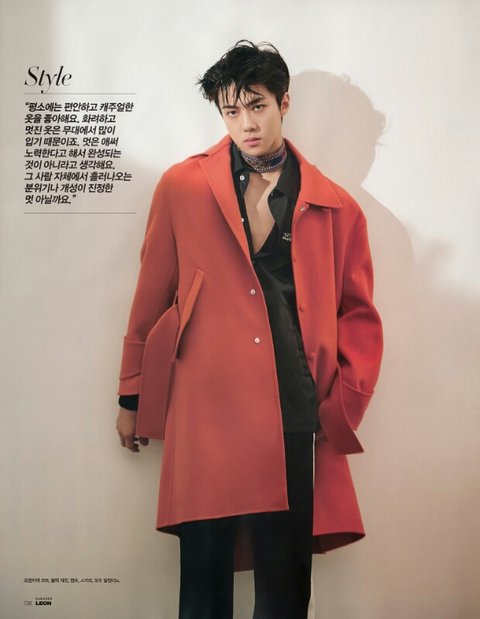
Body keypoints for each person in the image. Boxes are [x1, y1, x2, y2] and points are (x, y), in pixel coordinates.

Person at [116, 40, 383, 619]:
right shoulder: (182, 187)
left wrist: (342, 404)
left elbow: (359, 316)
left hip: (290, 409)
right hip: (204, 408)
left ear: (284, 103)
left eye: (257, 106)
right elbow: (151, 295)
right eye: (231, 111)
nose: (246, 124)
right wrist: (131, 395)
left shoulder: (337, 207)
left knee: (284, 590)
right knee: (203, 587)